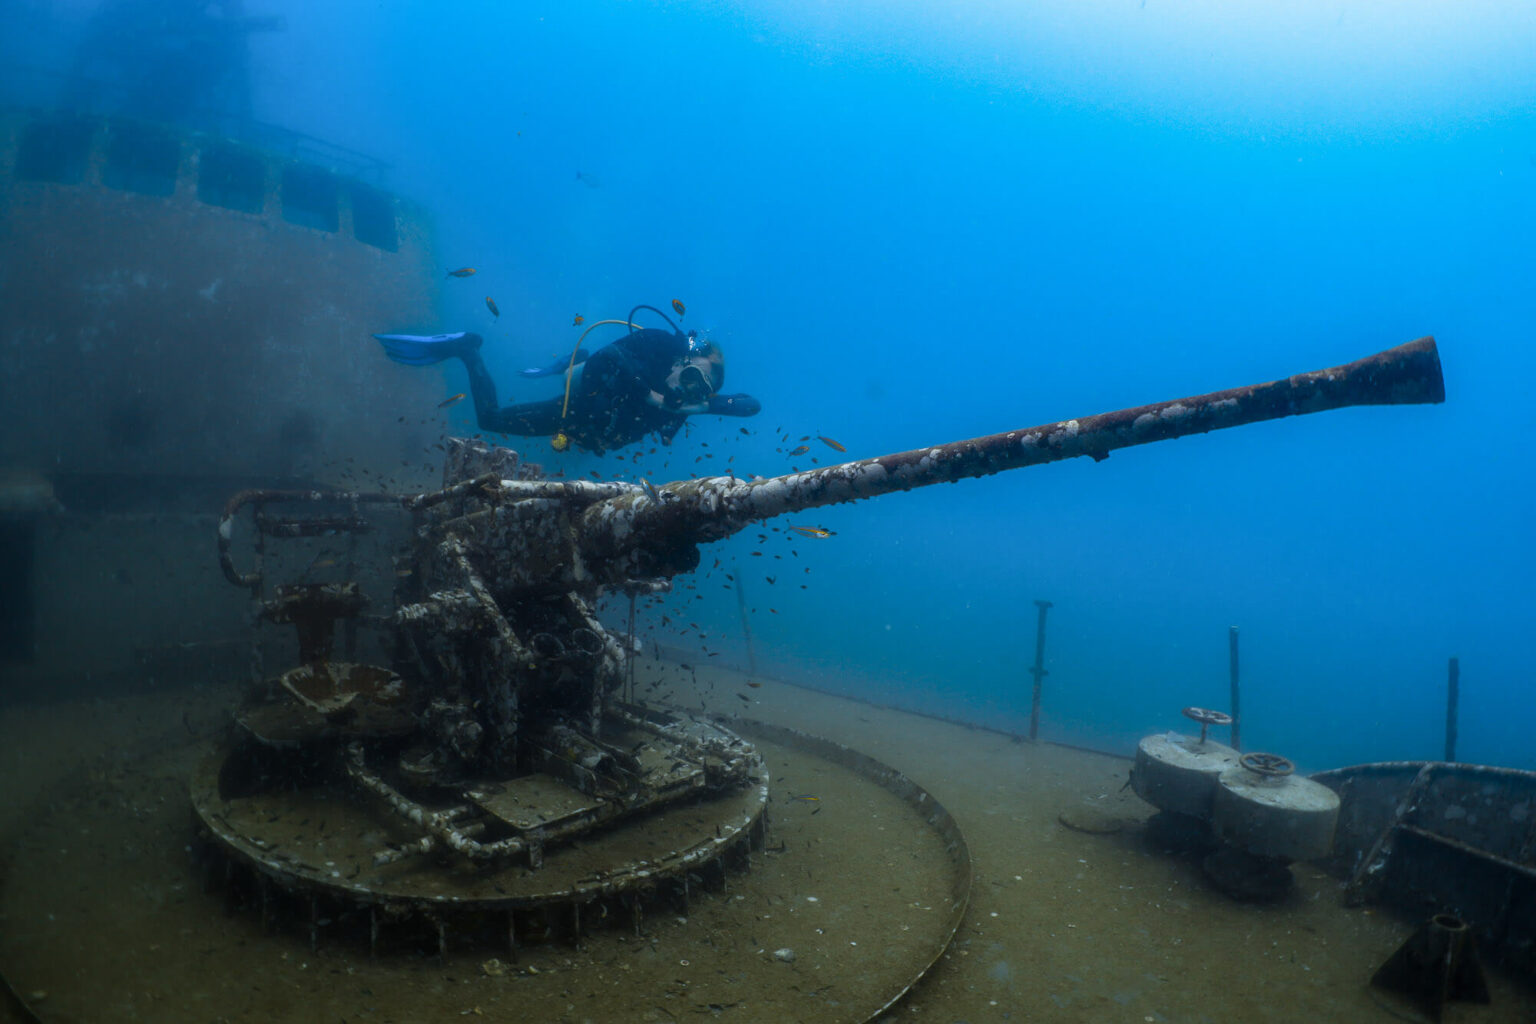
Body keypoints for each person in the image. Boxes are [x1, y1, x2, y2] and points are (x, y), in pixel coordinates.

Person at [374, 309, 760, 454]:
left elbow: (749, 405)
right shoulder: (659, 344)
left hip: (590, 437)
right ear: (682, 358)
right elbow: (611, 357)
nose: (687, 388)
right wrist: (650, 394)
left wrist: (704, 402)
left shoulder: (687, 402)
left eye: (700, 387)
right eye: (691, 376)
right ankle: (467, 348)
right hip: (573, 411)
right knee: (489, 420)